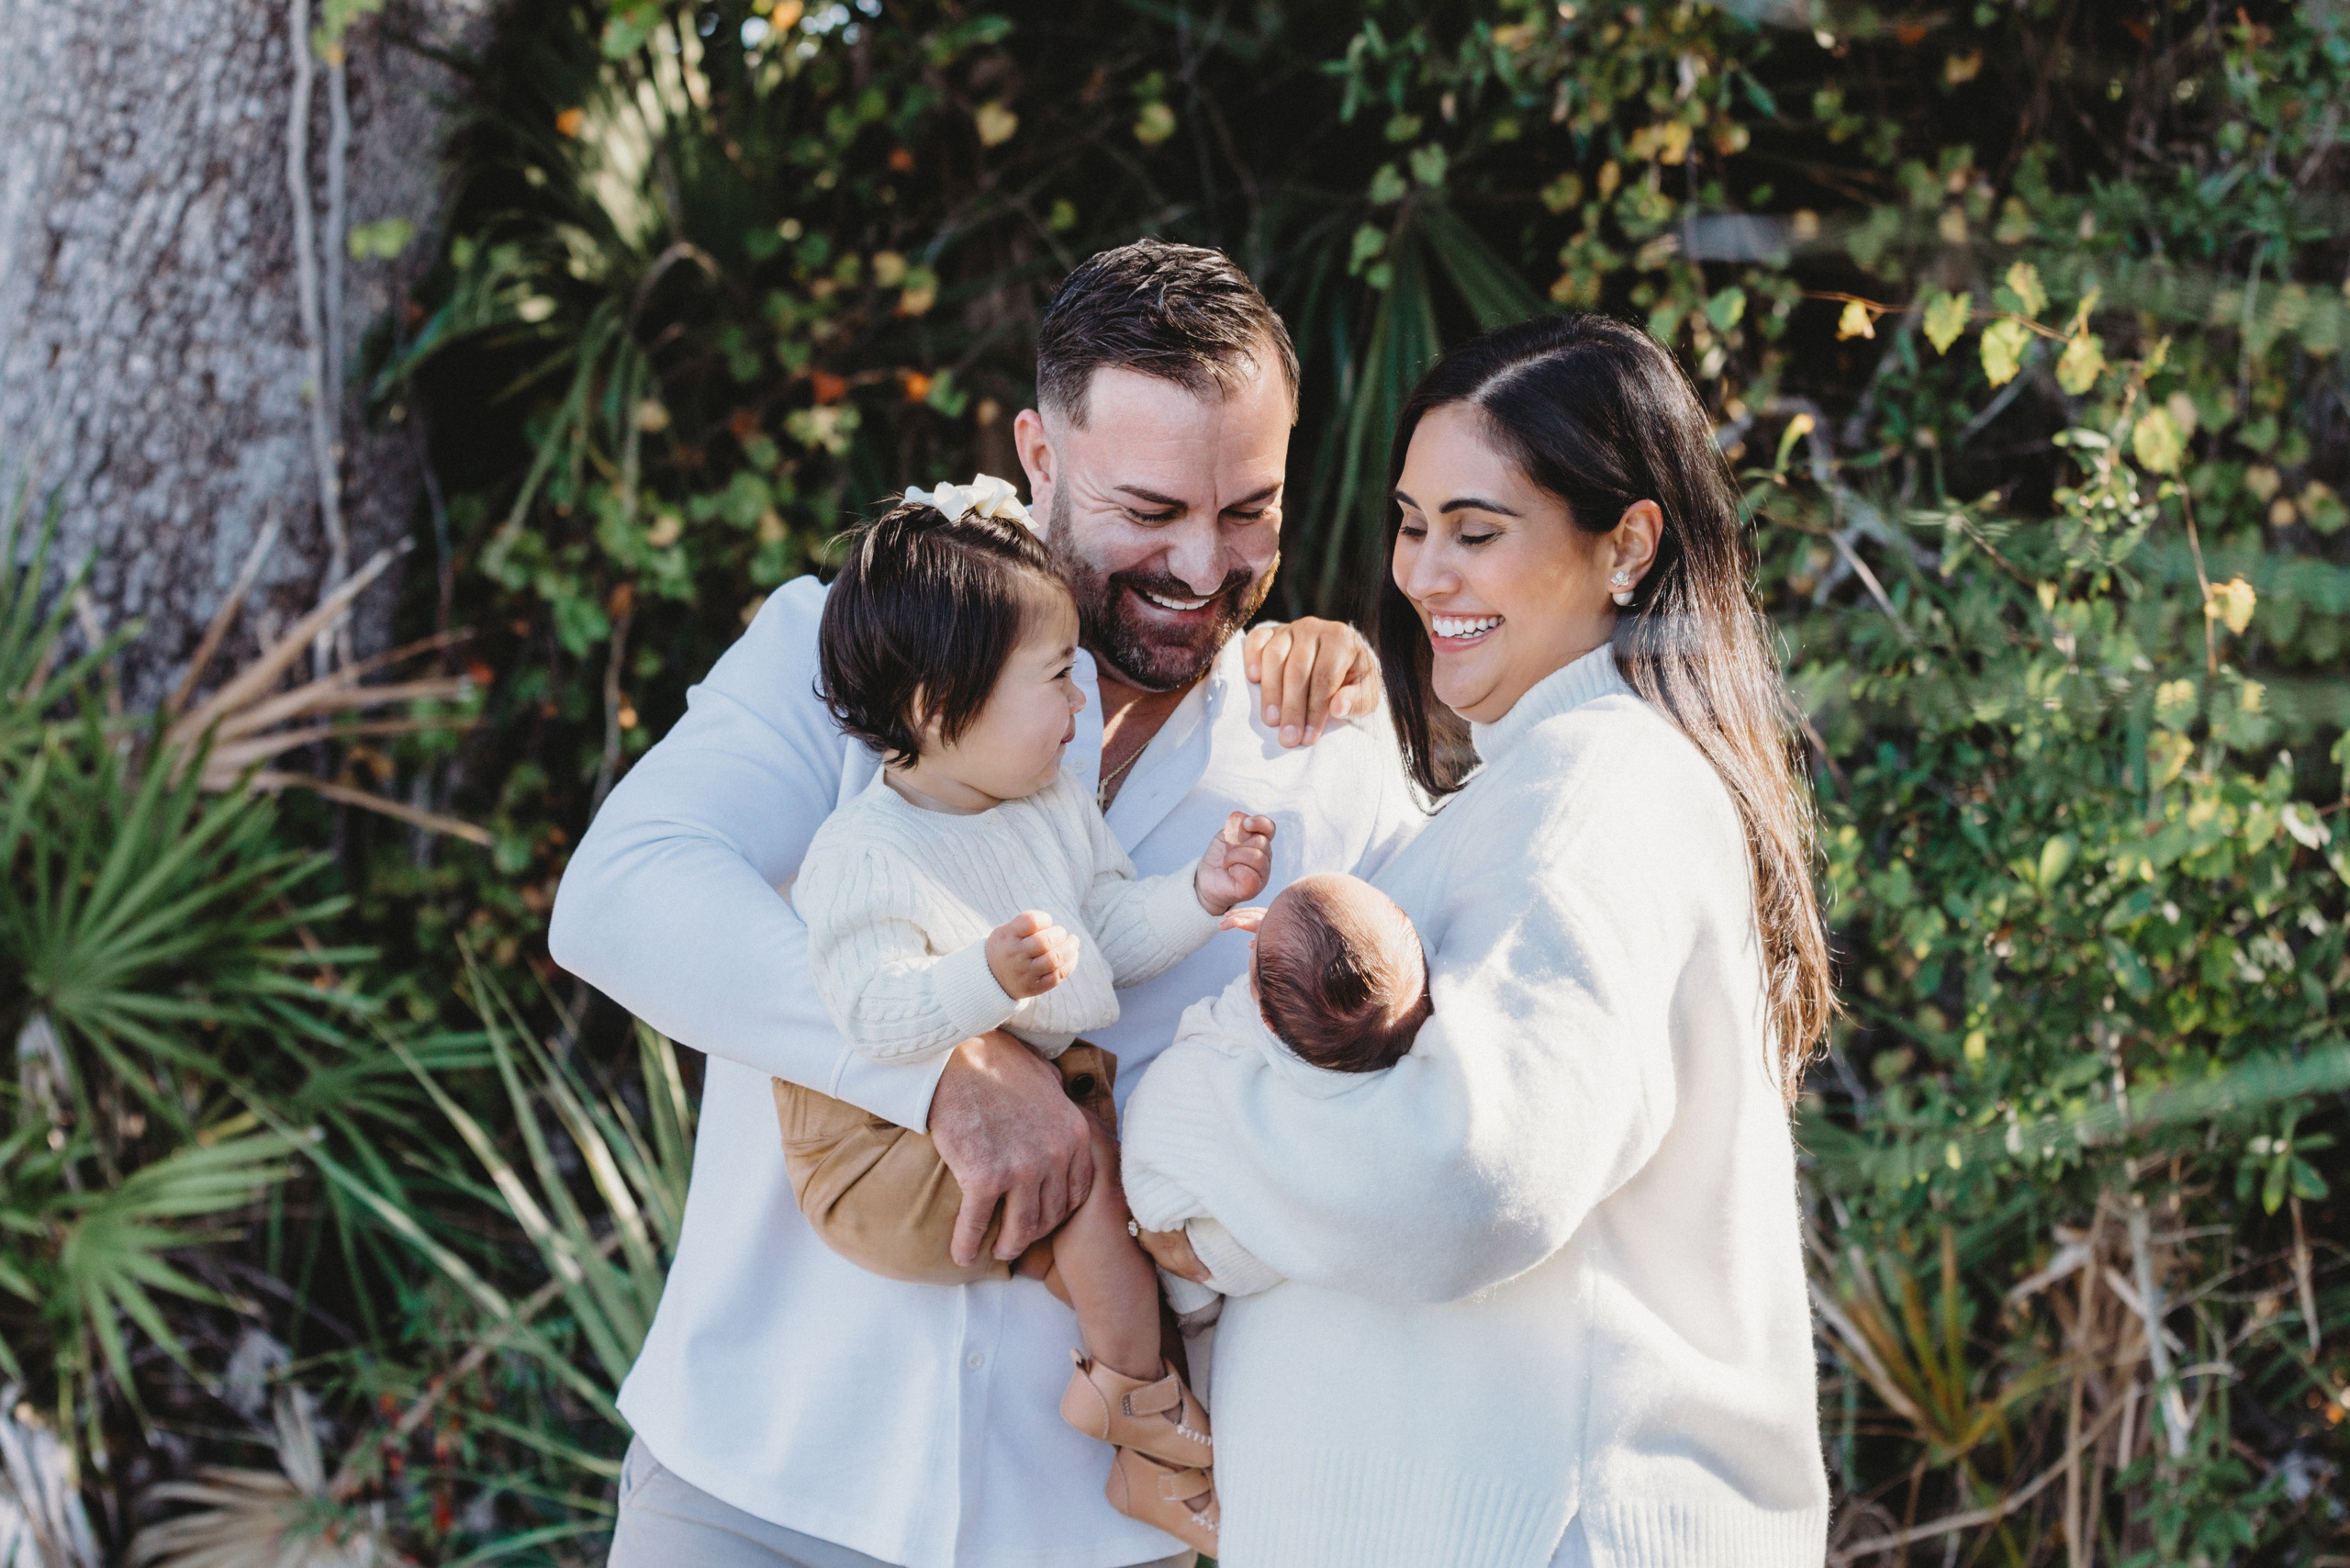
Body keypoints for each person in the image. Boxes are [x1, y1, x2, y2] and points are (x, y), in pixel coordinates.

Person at [549, 239, 1423, 1568]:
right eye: (1150, 509)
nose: (1203, 564)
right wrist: (943, 1071)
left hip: (1096, 1534)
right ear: (1039, 455)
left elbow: (1409, 1095)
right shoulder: (841, 649)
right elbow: (618, 895)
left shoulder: (1325, 756)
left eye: (1249, 510)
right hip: (751, 1489)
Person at [1119, 312, 1836, 1567]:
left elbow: (1465, 1176)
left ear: (1627, 547)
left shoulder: (1594, 794)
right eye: (1411, 523)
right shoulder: (1520, 800)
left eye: (1477, 531)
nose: (1423, 573)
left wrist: (1181, 1132)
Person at [780, 489, 1270, 1552]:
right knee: (1091, 1201)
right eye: (1054, 681)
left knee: (1122, 1219)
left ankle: (1138, 1417)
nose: (1076, 708)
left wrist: (1201, 891)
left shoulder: (1048, 802)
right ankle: (1140, 1412)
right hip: (878, 1146)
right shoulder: (866, 852)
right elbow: (869, 1008)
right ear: (937, 706)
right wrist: (981, 979)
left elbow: (1106, 936)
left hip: (1043, 1094)